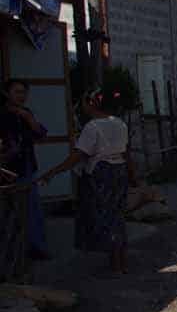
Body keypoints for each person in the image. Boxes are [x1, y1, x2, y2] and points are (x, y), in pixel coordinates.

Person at [37, 89, 138, 274]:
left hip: (101, 173)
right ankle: (121, 262)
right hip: (119, 170)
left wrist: (52, 172)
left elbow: (79, 155)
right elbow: (126, 153)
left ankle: (116, 264)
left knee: (106, 218)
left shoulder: (92, 127)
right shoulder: (120, 123)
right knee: (117, 216)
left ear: (91, 104)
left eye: (83, 103)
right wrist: (133, 176)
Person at [0, 79, 49, 259]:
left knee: (32, 207)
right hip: (7, 168)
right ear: (7, 94)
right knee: (9, 210)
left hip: (26, 165)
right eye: (17, 92)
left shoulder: (26, 114)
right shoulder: (3, 115)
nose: (21, 96)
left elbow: (41, 134)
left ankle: (35, 247)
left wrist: (28, 119)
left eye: (23, 92)